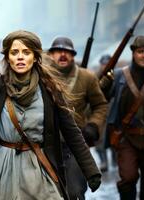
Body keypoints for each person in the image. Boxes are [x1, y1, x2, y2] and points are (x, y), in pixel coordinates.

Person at [0, 16, 101, 200]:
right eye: (14, 52)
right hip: (3, 166)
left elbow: (71, 132)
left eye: (26, 52)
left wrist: (91, 171)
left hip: (38, 165)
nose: (20, 57)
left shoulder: (49, 90)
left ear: (35, 57)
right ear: (8, 57)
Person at [47, 36, 108, 200]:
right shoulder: (42, 76)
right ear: (51, 54)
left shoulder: (87, 77)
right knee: (49, 192)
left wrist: (93, 126)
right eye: (58, 51)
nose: (62, 55)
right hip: (47, 144)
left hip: (76, 143)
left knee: (75, 191)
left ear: (73, 55)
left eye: (67, 52)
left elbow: (100, 105)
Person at [103, 35, 144, 200]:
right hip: (127, 137)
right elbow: (102, 98)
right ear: (133, 53)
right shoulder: (120, 75)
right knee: (128, 178)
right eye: (140, 51)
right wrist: (104, 83)